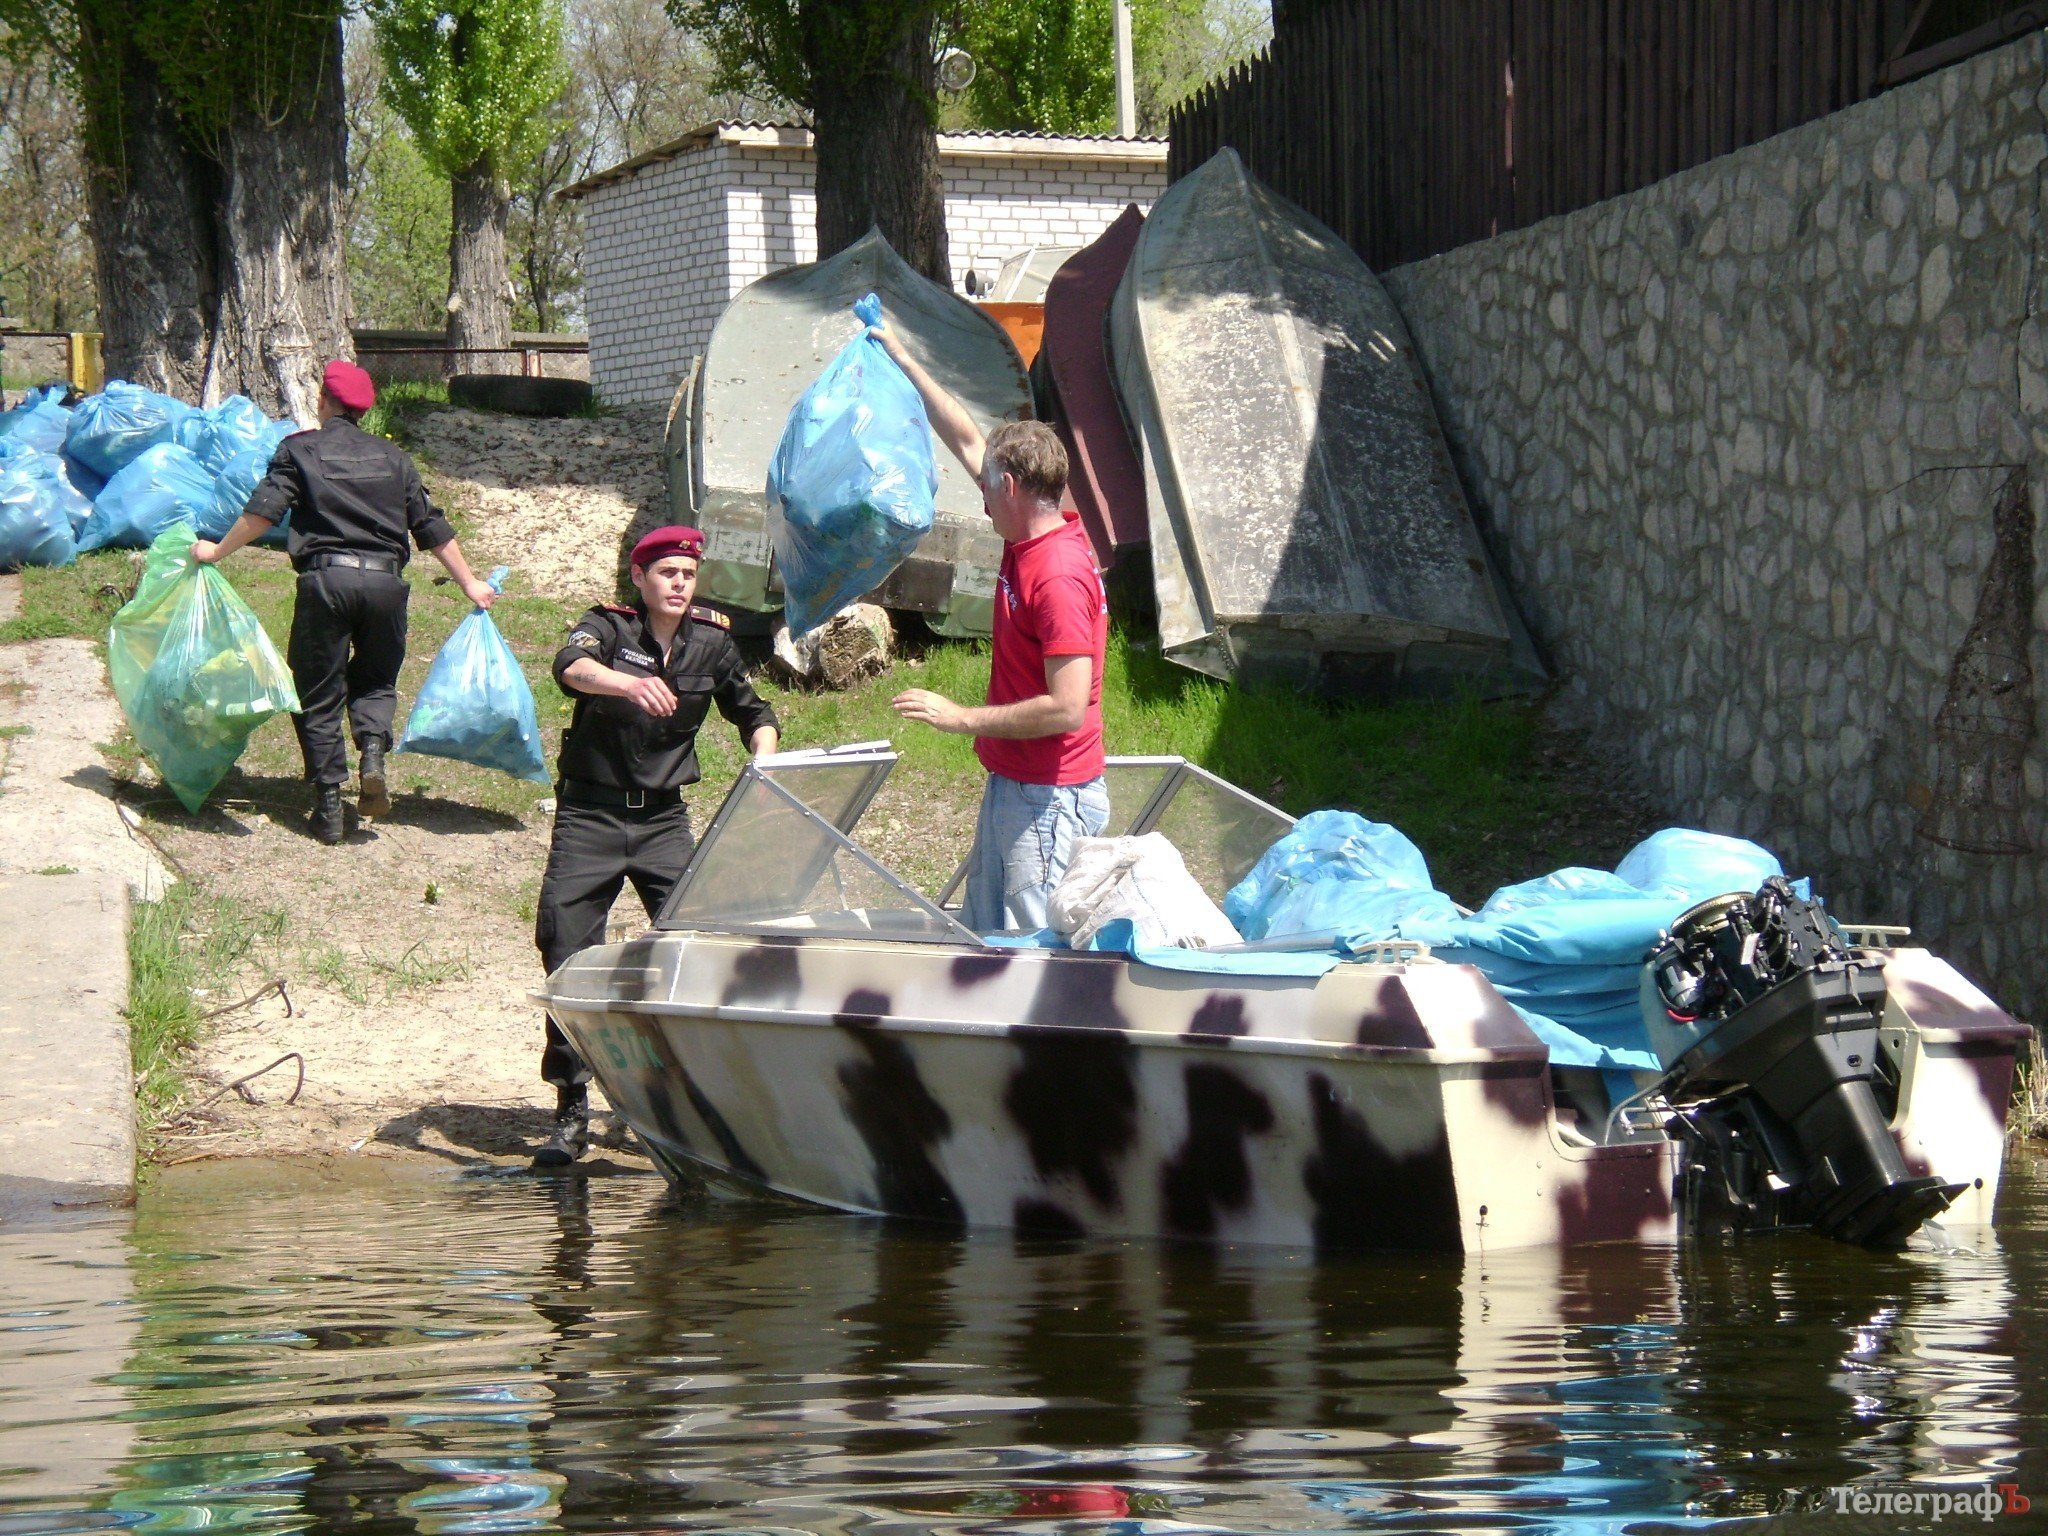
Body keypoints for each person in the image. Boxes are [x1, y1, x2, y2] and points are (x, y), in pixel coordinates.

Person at [532, 524, 779, 1166]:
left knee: (695, 949)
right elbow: (570, 666)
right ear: (639, 579)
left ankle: (698, 1102)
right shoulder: (609, 628)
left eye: (687, 575)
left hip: (663, 823)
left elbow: (755, 712)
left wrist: (764, 758)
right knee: (565, 950)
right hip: (591, 814)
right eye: (666, 572)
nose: (678, 583)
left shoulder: (713, 641)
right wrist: (623, 682)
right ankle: (571, 1111)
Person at [194, 358, 498, 844]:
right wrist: (470, 582)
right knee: (376, 680)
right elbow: (429, 524)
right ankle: (372, 754)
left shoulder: (299, 450)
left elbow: (262, 512)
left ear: (325, 400)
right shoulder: (393, 458)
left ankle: (330, 802)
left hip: (327, 582)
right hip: (386, 586)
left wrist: (216, 550)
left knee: (318, 688)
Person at [873, 324, 1110, 933]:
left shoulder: (1055, 575)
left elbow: (1067, 708)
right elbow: (964, 435)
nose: (979, 498)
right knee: (987, 939)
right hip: (1016, 783)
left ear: (1010, 486)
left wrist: (962, 718)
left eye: (986, 487)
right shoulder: (1033, 529)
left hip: (1049, 800)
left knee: (1044, 958)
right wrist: (903, 356)